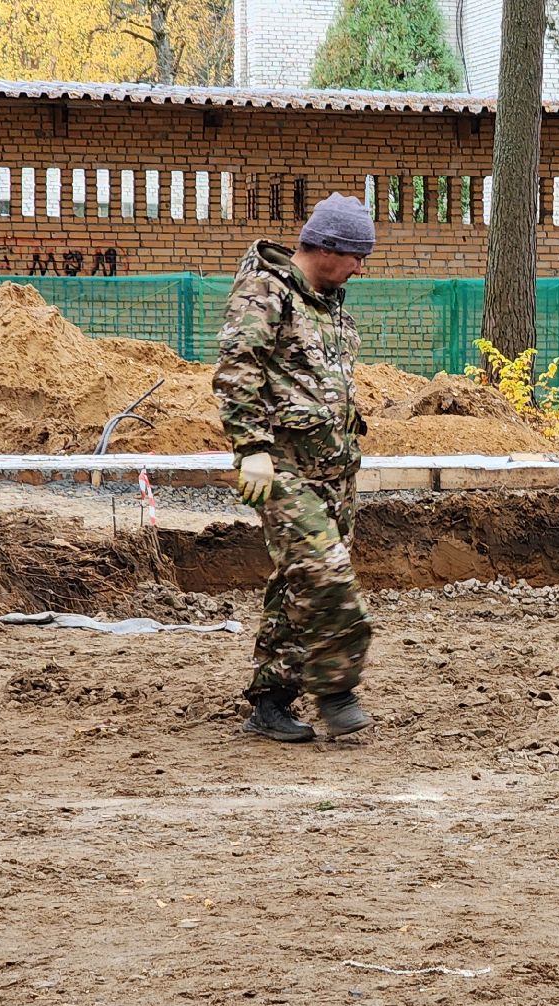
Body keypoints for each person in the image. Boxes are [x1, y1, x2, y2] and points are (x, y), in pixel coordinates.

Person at [213, 193, 378, 743]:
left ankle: (272, 700)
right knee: (326, 571)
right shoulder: (266, 291)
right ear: (327, 247)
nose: (361, 266)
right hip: (280, 465)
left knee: (297, 582)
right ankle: (336, 690)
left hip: (332, 466)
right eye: (356, 255)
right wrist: (251, 448)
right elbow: (237, 370)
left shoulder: (329, 300)